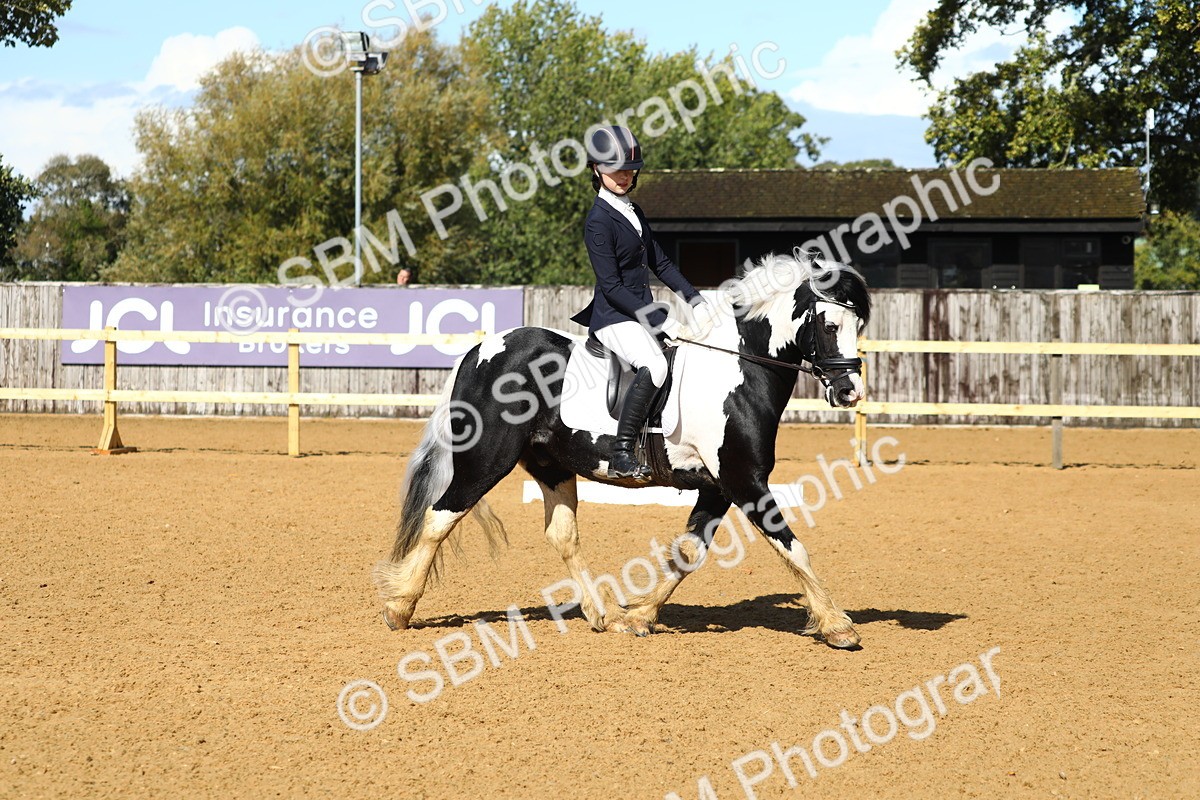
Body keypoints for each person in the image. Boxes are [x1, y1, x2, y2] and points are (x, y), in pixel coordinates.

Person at [570, 125, 706, 480]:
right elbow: (612, 286)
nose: (624, 177)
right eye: (616, 170)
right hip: (614, 315)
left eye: (630, 170)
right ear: (597, 170)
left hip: (637, 313)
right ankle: (621, 451)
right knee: (656, 367)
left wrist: (694, 299)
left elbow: (660, 262)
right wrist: (662, 321)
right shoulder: (598, 221)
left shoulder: (634, 210)